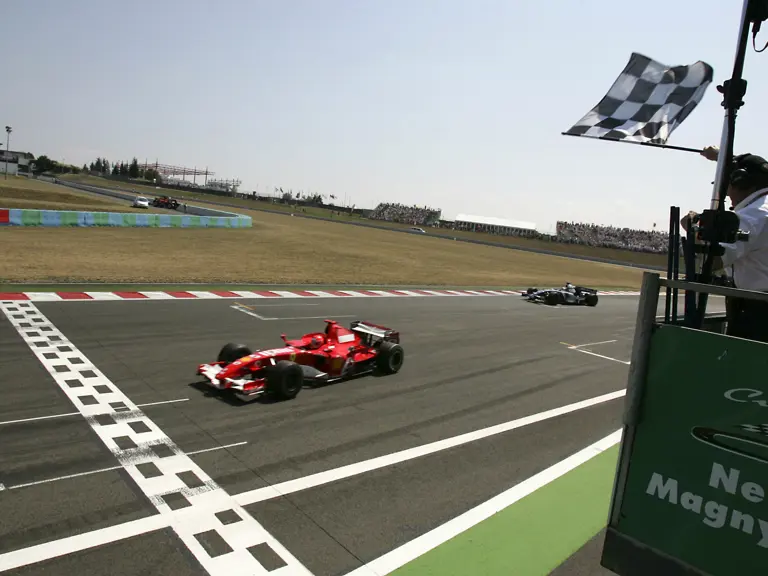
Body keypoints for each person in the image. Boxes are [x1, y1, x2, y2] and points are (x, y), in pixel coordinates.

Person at [682, 146, 768, 342]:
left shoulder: (752, 215)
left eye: (727, 186)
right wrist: (721, 155)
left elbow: (713, 259)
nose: (727, 194)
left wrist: (695, 225)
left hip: (756, 316)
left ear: (740, 182)